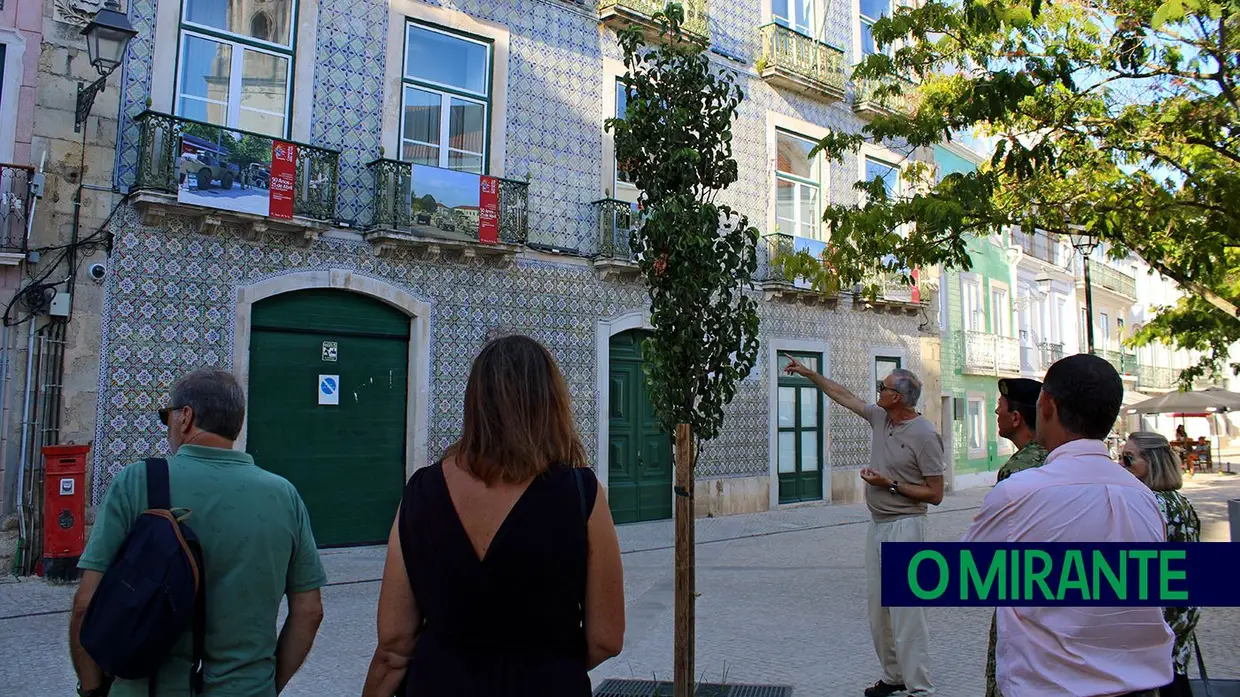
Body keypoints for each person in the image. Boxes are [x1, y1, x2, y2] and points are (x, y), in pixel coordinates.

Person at [361, 335, 626, 697]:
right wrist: (545, 663)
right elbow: (606, 639)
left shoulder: (421, 492)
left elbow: (393, 646)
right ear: (551, 404)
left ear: (475, 404)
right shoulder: (582, 494)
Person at [70, 368, 326, 697]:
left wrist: (92, 688)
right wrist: (264, 687)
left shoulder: (138, 482)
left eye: (168, 417)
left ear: (185, 417)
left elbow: (85, 606)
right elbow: (310, 611)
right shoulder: (285, 495)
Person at [962, 354, 1173, 697]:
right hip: (1140, 687)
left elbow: (966, 575)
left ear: (1047, 406)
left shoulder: (1018, 493)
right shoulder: (1144, 498)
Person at [783, 357, 943, 697]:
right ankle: (894, 676)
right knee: (878, 609)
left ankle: (921, 687)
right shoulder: (880, 417)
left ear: (897, 397)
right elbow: (844, 395)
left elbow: (936, 493)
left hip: (906, 527)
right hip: (879, 525)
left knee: (907, 613)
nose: (877, 392)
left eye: (883, 387)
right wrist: (811, 373)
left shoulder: (925, 434)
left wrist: (891, 484)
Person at [1121, 431, 1202, 697]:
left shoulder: (1149, 505)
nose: (1121, 465)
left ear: (1152, 462)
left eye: (1128, 458)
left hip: (1152, 646)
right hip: (1176, 642)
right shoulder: (1182, 503)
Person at [984, 377, 1050, 697]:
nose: (996, 411)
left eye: (1001, 407)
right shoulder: (1055, 457)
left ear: (1016, 418)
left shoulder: (1017, 470)